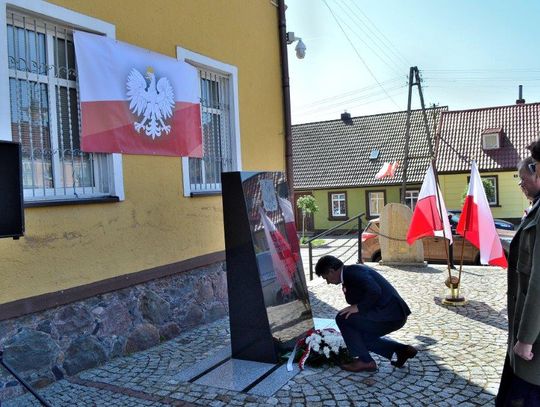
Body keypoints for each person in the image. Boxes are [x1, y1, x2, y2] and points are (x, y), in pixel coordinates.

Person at [315, 255, 417, 372]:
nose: (328, 282)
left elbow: (375, 290)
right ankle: (401, 350)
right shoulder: (350, 272)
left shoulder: (353, 273)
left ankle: (365, 361)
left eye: (326, 278)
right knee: (358, 337)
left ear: (331, 271)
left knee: (342, 318)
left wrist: (359, 307)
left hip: (390, 315)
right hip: (392, 314)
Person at [496, 155, 540, 406]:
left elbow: (538, 282)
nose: (521, 185)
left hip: (533, 340)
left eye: (524, 179)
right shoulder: (536, 207)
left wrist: (525, 339)